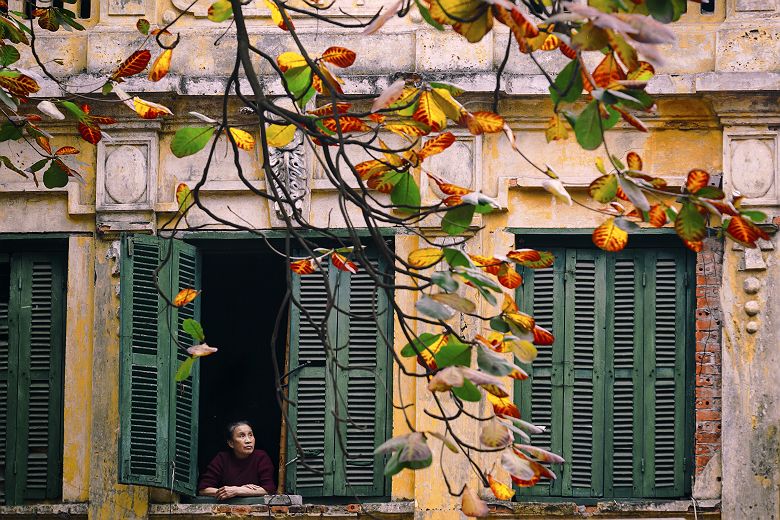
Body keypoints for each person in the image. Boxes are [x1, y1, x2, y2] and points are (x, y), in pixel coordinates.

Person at [198, 420, 277, 499]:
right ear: (231, 443)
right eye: (242, 436)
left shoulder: (261, 457)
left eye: (250, 435)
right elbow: (203, 490)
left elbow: (269, 489)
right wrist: (231, 491)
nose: (248, 441)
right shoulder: (222, 459)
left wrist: (237, 490)